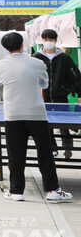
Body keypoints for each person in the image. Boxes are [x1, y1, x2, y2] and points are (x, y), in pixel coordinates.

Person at [0, 32, 73, 202]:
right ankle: (52, 190)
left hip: (13, 114)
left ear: (5, 48)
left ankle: (16, 191)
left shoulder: (0, 65)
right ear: (22, 45)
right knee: (45, 152)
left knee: (15, 154)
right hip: (37, 113)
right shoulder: (37, 63)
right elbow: (44, 83)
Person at [32, 29, 81, 159]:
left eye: (51, 40)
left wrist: (79, 94)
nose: (48, 42)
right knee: (47, 125)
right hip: (43, 96)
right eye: (46, 39)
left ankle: (67, 147)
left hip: (60, 96)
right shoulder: (37, 57)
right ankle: (52, 148)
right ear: (42, 40)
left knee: (65, 123)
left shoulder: (64, 58)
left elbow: (76, 77)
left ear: (55, 41)